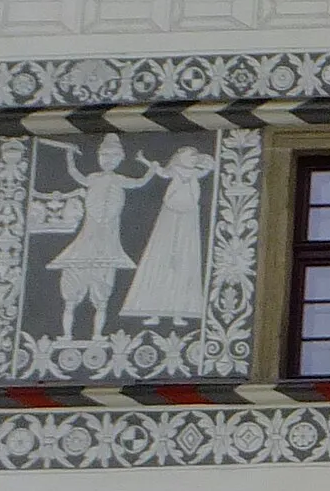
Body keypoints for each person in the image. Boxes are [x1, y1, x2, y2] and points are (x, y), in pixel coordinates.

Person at [47, 133, 153, 340]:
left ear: (121, 159)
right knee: (71, 298)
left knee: (102, 298)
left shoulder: (119, 179)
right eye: (104, 155)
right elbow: (75, 174)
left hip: (108, 241)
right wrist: (69, 155)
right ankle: (66, 335)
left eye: (113, 156)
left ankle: (97, 335)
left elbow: (140, 183)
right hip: (88, 239)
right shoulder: (93, 178)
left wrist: (150, 168)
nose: (108, 160)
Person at [122, 144, 213, 324]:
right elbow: (161, 172)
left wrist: (202, 158)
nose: (192, 159)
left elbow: (211, 165)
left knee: (184, 259)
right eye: (189, 156)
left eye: (194, 157)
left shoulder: (195, 172)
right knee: (161, 257)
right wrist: (145, 161)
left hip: (188, 217)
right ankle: (153, 311)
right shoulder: (175, 170)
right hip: (170, 215)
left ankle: (178, 312)